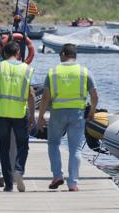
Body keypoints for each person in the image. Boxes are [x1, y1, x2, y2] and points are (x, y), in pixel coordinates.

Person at [37, 44, 98, 191]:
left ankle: (57, 175)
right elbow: (95, 95)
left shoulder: (53, 72)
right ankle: (73, 183)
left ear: (63, 54)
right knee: (75, 148)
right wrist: (92, 112)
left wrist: (40, 116)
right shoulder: (85, 72)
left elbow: (45, 97)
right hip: (77, 113)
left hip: (57, 113)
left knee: (53, 144)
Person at [0, 41, 35, 192]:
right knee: (23, 145)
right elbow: (31, 94)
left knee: (3, 148)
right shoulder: (26, 69)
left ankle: (9, 184)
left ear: (4, 54)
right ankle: (18, 170)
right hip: (20, 113)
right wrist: (31, 115)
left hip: (2, 113)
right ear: (18, 53)